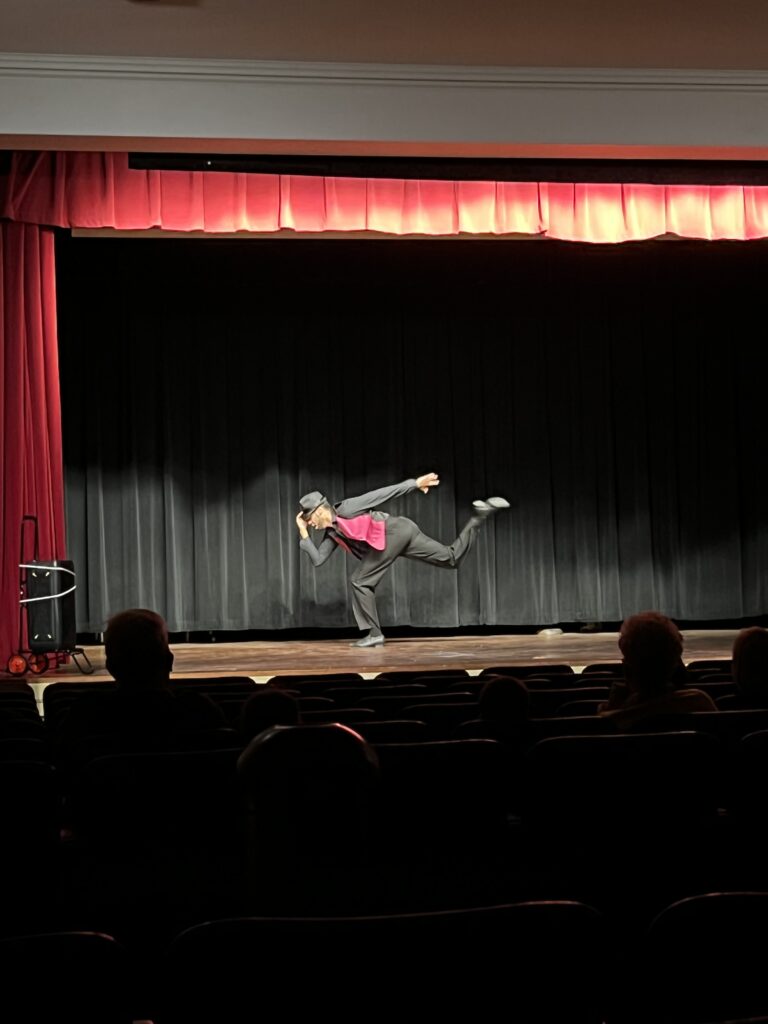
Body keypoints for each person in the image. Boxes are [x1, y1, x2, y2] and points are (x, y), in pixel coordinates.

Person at [295, 473, 509, 647]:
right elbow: (318, 560)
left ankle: (375, 634)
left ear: (320, 510)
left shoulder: (348, 508)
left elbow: (382, 494)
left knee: (360, 580)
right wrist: (303, 533)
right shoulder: (332, 534)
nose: (311, 524)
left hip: (395, 532)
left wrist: (415, 484)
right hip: (403, 532)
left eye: (309, 519)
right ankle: (478, 518)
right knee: (450, 558)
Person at [598, 610, 716, 729]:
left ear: (627, 668)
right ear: (676, 664)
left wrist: (614, 708)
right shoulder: (699, 703)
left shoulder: (613, 719)